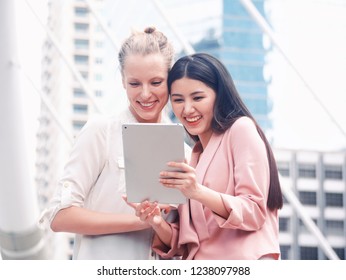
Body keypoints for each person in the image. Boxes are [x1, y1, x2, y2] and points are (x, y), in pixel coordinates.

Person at [39, 27, 177, 260]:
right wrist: (140, 221)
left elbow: (178, 241)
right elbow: (59, 216)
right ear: (123, 81)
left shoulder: (184, 152)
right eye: (135, 83)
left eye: (155, 82)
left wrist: (159, 226)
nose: (145, 94)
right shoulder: (101, 132)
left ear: (170, 81)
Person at [132, 53, 283, 260]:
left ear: (219, 95)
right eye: (178, 100)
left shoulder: (240, 129)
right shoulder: (195, 155)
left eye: (197, 98)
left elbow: (254, 211)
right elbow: (189, 242)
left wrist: (197, 191)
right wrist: (156, 221)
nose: (187, 109)